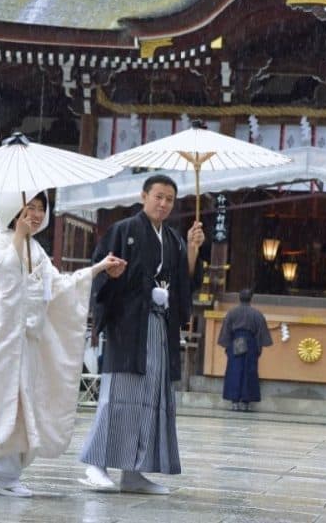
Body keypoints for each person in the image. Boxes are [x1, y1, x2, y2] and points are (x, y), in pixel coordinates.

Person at [0, 191, 125, 497]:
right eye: (29, 208)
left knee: (21, 407)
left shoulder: (35, 249)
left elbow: (58, 285)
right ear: (13, 209)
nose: (36, 215)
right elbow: (2, 280)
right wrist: (17, 239)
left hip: (27, 342)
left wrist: (97, 268)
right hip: (2, 343)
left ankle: (6, 474)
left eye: (40, 209)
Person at [78, 174, 205, 495]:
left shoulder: (174, 239)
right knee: (120, 395)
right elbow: (102, 272)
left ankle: (133, 471)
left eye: (170, 199)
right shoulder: (123, 230)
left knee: (151, 396)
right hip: (128, 326)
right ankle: (96, 464)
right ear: (143, 196)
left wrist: (192, 249)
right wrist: (117, 277)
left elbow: (184, 283)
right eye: (158, 196)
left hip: (159, 327)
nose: (163, 204)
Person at [217, 289, 272, 412]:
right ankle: (246, 402)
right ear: (250, 299)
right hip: (251, 343)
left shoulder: (232, 313)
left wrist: (228, 346)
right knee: (249, 372)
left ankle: (235, 402)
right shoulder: (257, 314)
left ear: (239, 298)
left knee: (234, 372)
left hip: (235, 341)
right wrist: (258, 347)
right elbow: (260, 333)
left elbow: (226, 330)